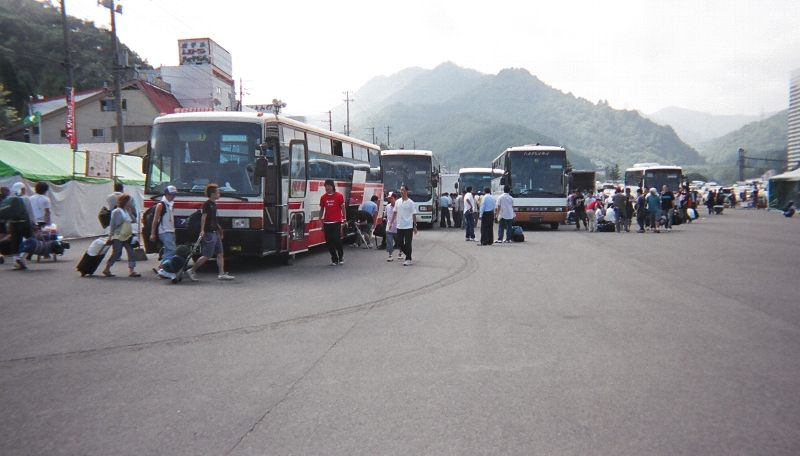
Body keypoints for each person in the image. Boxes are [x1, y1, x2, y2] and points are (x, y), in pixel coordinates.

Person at [186, 183, 235, 280]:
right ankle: (192, 270)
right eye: (218, 192)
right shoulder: (207, 204)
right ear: (213, 194)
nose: (219, 194)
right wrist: (202, 230)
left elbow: (213, 219)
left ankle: (221, 273)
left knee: (220, 253)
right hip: (209, 234)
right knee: (207, 255)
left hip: (215, 232)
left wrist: (219, 229)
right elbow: (203, 218)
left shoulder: (213, 204)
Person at [101, 193, 141, 277]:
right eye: (129, 201)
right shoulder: (116, 212)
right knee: (116, 253)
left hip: (127, 235)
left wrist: (130, 213)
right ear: (125, 201)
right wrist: (110, 236)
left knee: (131, 252)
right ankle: (107, 268)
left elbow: (134, 221)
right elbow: (112, 224)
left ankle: (131, 271)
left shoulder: (127, 211)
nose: (130, 203)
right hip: (118, 235)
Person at [0, 182, 33, 270]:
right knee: (31, 240)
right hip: (24, 222)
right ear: (22, 189)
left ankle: (15, 263)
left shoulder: (9, 199)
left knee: (15, 243)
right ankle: (21, 257)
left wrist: (8, 227)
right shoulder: (25, 198)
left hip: (13, 223)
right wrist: (33, 223)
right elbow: (30, 211)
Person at [318, 179, 346, 266]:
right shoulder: (323, 197)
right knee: (328, 241)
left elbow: (343, 208)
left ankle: (341, 256)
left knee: (336, 239)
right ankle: (334, 258)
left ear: (333, 187)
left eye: (329, 186)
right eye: (326, 186)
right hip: (327, 222)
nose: (327, 188)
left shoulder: (339, 196)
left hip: (337, 221)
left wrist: (344, 219)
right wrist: (319, 219)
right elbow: (322, 209)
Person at [150, 185, 178, 266]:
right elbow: (155, 220)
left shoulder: (170, 204)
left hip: (171, 230)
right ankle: (163, 266)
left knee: (167, 249)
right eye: (172, 194)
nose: (174, 196)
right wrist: (153, 233)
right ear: (166, 194)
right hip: (164, 231)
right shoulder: (161, 205)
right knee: (172, 249)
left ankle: (162, 266)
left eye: (174, 194)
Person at [393, 184, 418, 266]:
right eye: (400, 190)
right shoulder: (397, 202)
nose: (401, 191)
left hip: (408, 226)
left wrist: (415, 225)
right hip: (400, 225)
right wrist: (391, 222)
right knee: (399, 242)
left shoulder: (411, 202)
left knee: (408, 243)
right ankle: (408, 254)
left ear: (406, 191)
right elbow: (395, 212)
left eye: (403, 190)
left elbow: (414, 214)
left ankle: (408, 259)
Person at [384, 192, 399, 261]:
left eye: (391, 198)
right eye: (389, 199)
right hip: (389, 228)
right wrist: (385, 220)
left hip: (398, 227)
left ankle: (401, 252)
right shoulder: (387, 206)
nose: (390, 200)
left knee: (399, 242)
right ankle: (390, 255)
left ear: (395, 198)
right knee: (389, 242)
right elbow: (385, 215)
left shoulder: (399, 206)